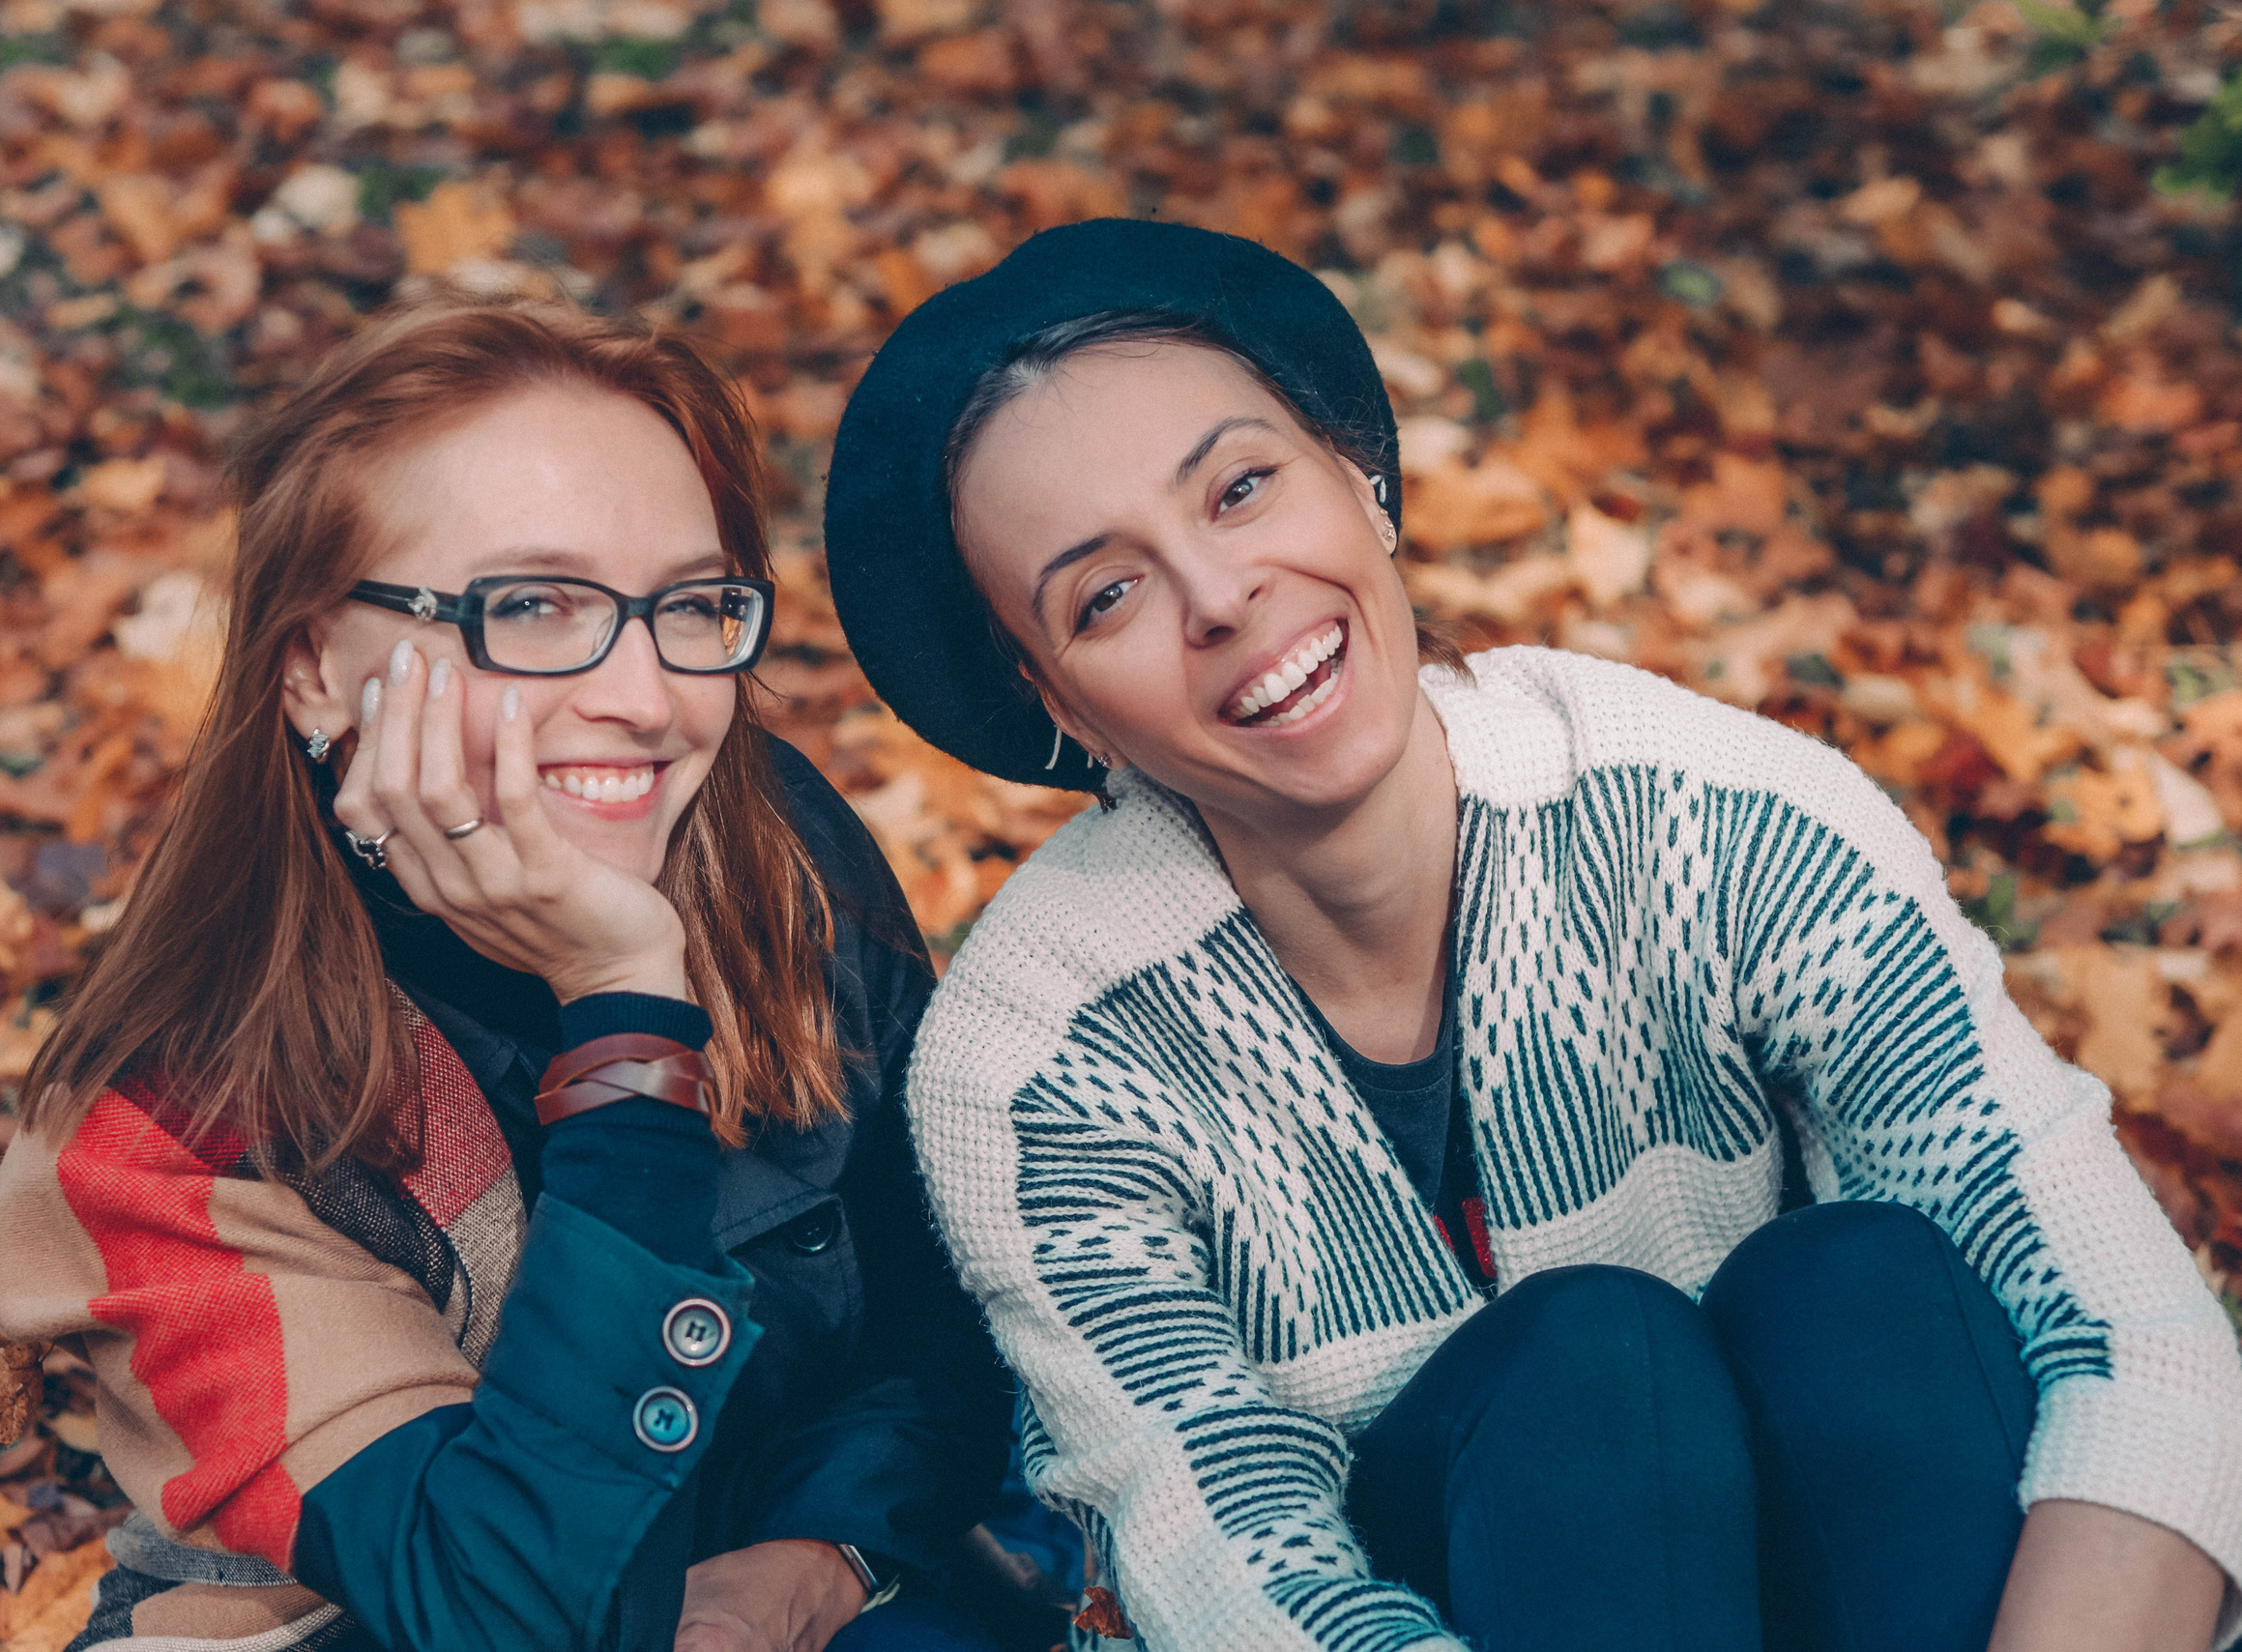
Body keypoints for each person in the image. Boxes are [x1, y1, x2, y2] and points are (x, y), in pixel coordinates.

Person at [817, 218, 2242, 1652]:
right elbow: (1226, 1574)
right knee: (1587, 1365)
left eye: (1243, 487)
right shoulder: (1037, 1062)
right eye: (1105, 594)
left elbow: (2138, 1339)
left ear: (1361, 480)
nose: (1220, 596)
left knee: (1856, 1283)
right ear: (1053, 697)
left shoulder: (1726, 819)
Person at [0, 296, 1010, 1652]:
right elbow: (504, 1612)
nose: (646, 695)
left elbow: (947, 1314)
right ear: (309, 671)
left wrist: (812, 1562)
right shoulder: (175, 1114)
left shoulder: (779, 857)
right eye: (530, 604)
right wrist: (627, 1008)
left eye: (690, 604)